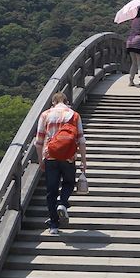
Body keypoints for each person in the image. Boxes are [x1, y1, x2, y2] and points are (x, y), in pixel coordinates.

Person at [34, 92, 87, 236]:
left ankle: (54, 225)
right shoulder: (74, 115)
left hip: (50, 156)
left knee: (51, 190)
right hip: (69, 157)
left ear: (53, 102)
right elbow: (81, 141)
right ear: (67, 101)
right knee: (69, 183)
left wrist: (40, 160)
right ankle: (62, 203)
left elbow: (38, 142)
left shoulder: (45, 115)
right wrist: (83, 161)